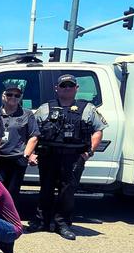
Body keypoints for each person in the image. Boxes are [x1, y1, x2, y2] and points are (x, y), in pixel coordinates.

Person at [29, 74, 106, 240]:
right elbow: (35, 132)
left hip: (73, 157)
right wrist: (33, 153)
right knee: (46, 189)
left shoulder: (88, 108)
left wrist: (88, 153)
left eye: (70, 85)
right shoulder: (45, 108)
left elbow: (98, 130)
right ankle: (41, 221)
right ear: (57, 88)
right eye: (63, 86)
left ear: (76, 88)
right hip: (49, 155)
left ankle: (62, 224)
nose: (67, 88)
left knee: (67, 191)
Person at [0, 83, 40, 202]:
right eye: (9, 94)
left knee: (12, 192)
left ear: (20, 97)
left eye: (17, 95)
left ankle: (11, 213)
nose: (13, 97)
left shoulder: (27, 114)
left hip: (17, 158)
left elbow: (34, 136)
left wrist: (25, 156)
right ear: (3, 96)